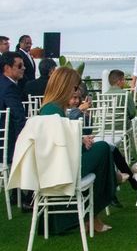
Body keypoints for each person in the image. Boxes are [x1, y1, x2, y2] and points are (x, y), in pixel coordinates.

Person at [39, 67, 117, 233]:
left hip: (59, 165)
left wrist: (80, 140)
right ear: (65, 87)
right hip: (62, 169)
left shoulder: (50, 109)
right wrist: (80, 141)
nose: (76, 93)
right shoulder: (53, 111)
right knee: (103, 149)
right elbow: (59, 146)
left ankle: (94, 213)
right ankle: (94, 214)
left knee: (102, 149)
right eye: (74, 89)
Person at [0, 52, 27, 161]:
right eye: (20, 66)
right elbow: (19, 117)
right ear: (7, 68)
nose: (24, 68)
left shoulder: (3, 83)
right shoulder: (9, 88)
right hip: (6, 146)